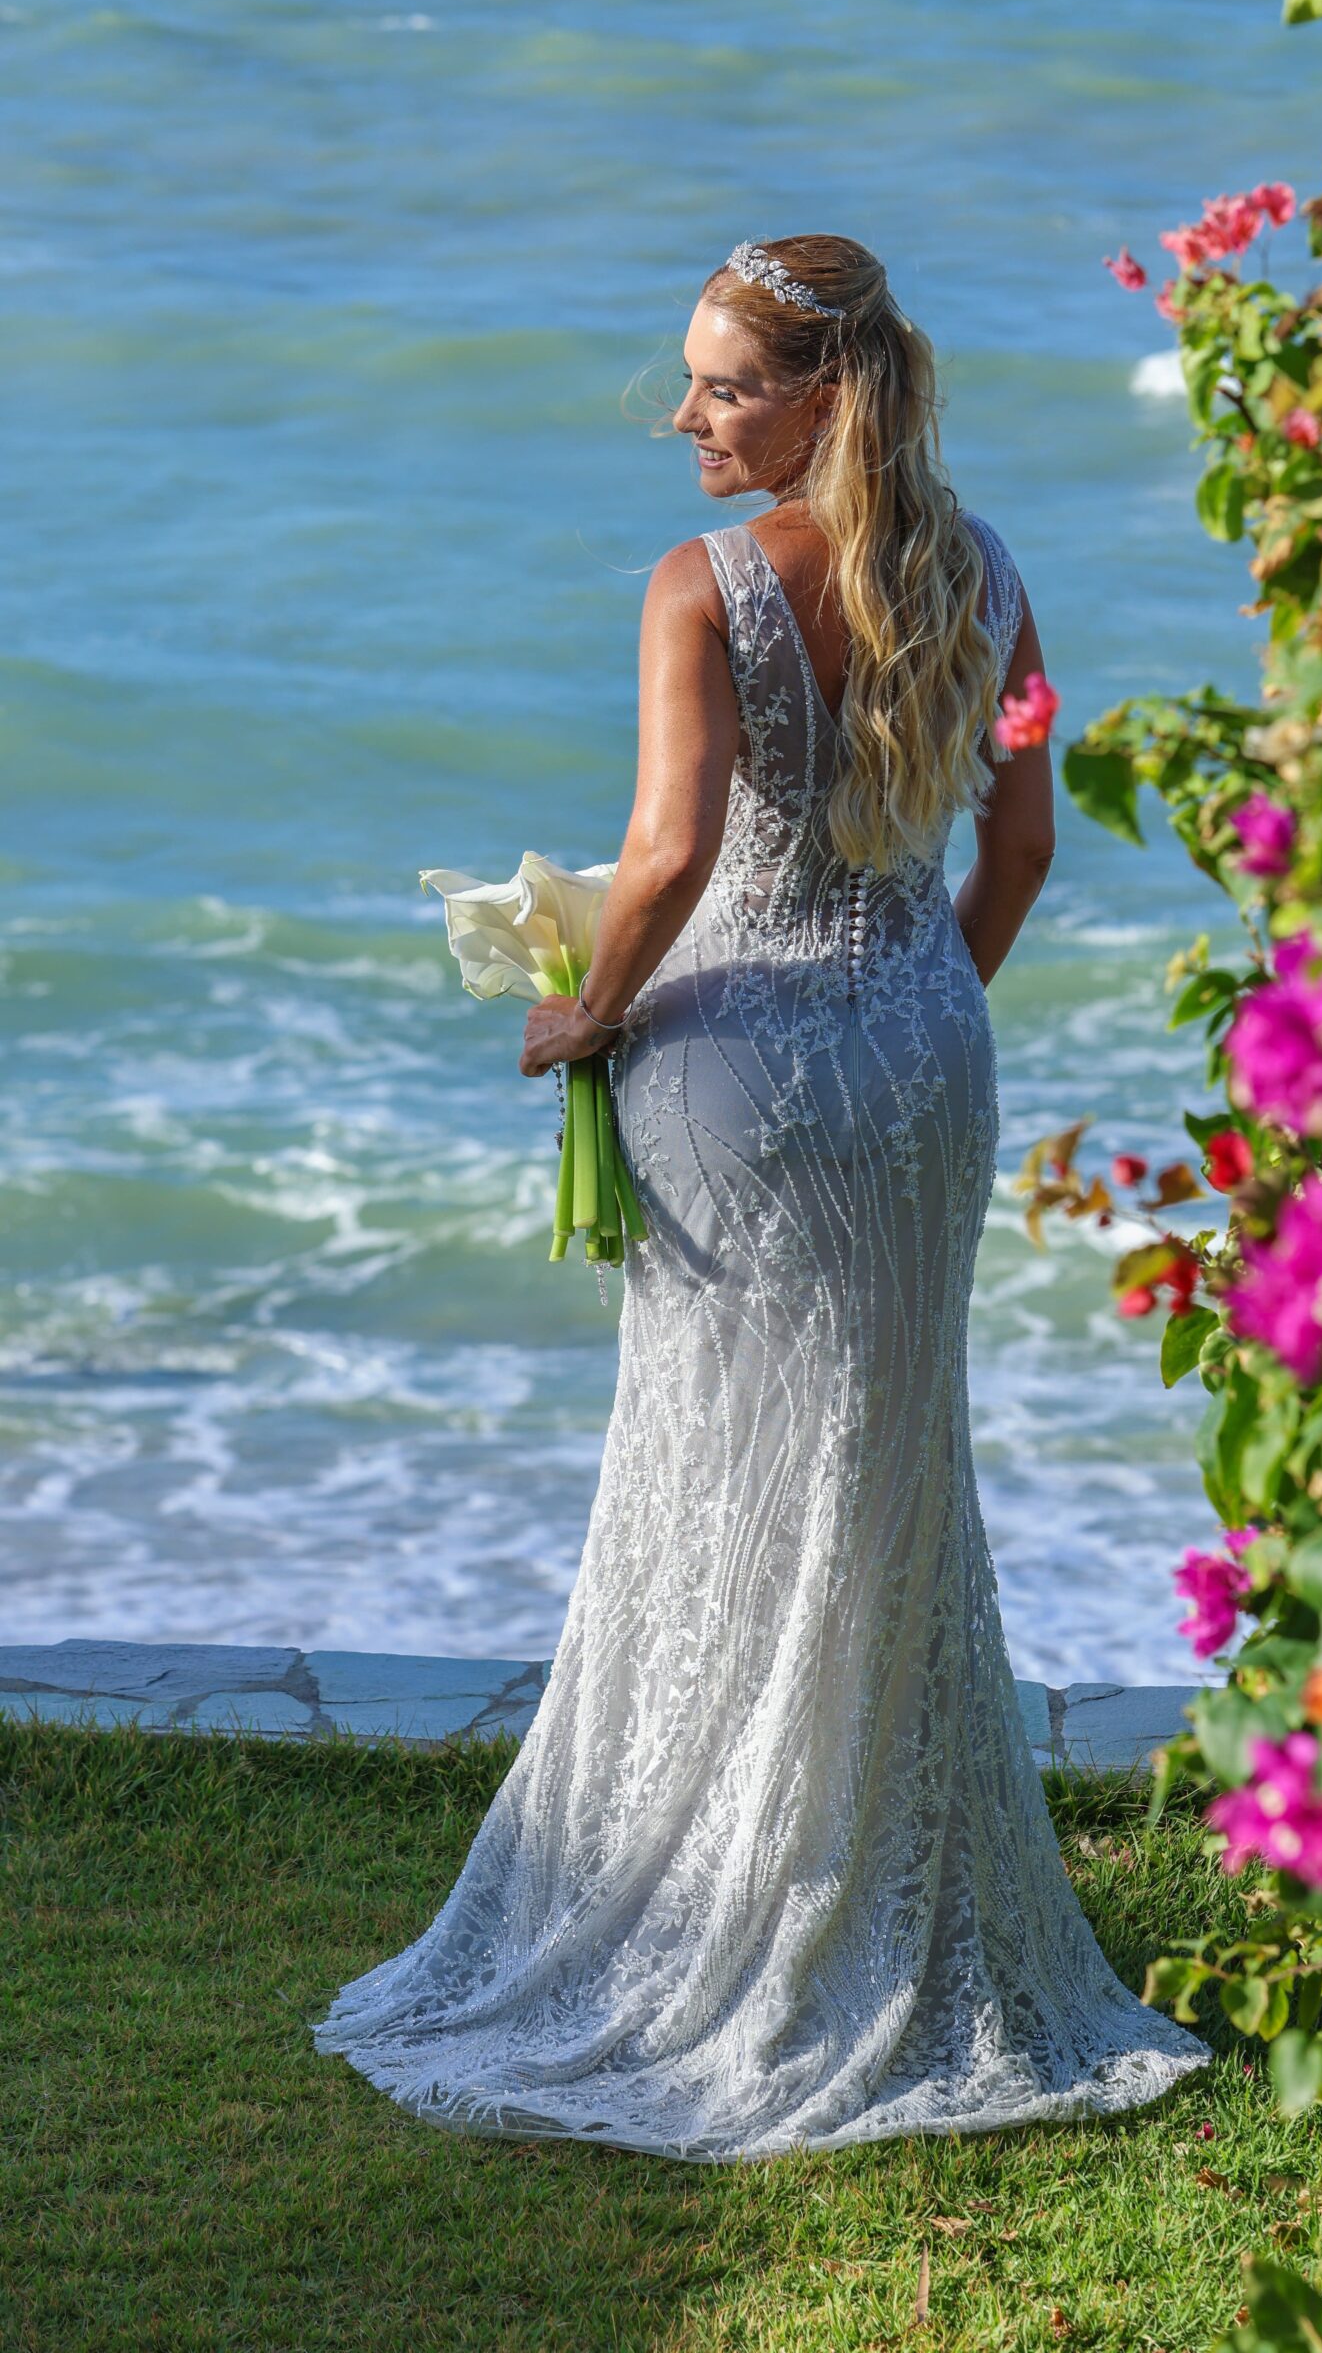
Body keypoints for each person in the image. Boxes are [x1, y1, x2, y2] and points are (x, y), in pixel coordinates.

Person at [312, 233, 1208, 2156]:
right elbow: (1025, 839)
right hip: (923, 1055)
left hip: (731, 1062)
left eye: (724, 384)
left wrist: (580, 1015)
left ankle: (720, 1913)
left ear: (821, 395)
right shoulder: (987, 568)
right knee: (883, 1473)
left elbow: (666, 853)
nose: (689, 415)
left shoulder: (700, 587)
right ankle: (888, 1904)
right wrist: (911, 1010)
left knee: (722, 1477)